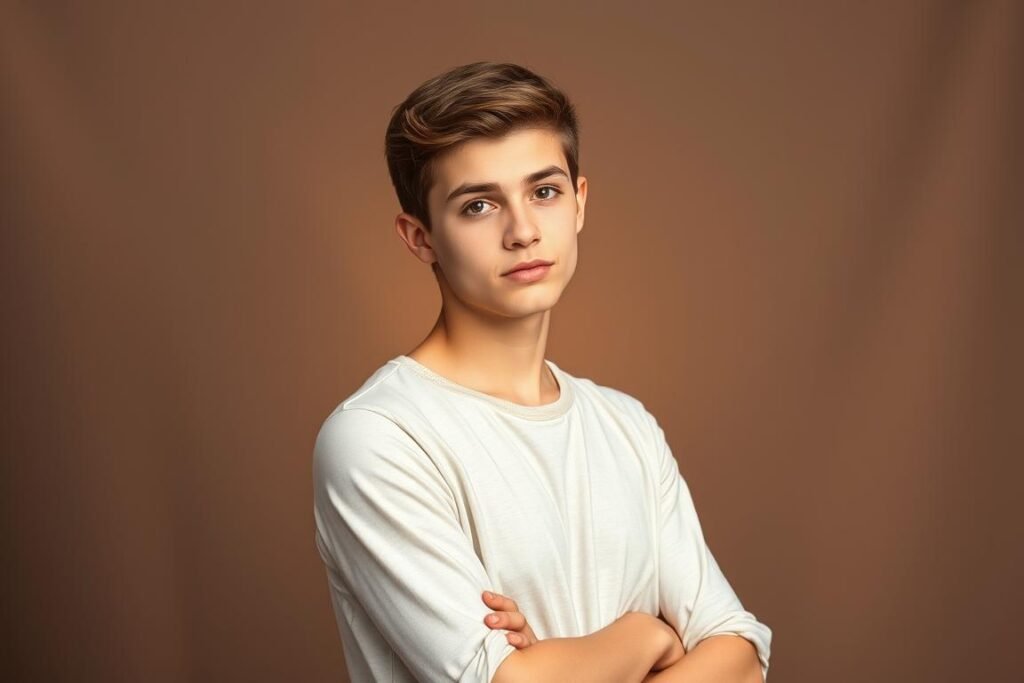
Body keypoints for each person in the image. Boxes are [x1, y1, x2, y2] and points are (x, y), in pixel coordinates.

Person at [311, 61, 772, 683]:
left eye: (544, 192)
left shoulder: (627, 426)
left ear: (579, 203)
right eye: (478, 205)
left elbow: (742, 656)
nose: (523, 231)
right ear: (420, 237)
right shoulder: (380, 438)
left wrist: (565, 663)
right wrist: (649, 635)